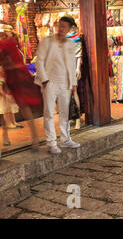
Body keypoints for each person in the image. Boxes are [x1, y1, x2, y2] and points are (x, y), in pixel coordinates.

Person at [35, 16, 80, 154]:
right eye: (59, 25)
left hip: (65, 83)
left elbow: (72, 65)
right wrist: (45, 80)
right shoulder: (46, 42)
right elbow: (39, 61)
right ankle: (51, 142)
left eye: (64, 26)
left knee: (64, 112)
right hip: (50, 82)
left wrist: (73, 83)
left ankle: (65, 139)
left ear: (69, 29)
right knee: (49, 112)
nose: (60, 29)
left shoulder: (70, 44)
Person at [0, 24, 41, 156]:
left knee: (23, 107)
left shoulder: (8, 43)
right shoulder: (7, 43)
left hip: (17, 77)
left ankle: (34, 138)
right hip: (11, 76)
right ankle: (6, 136)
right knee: (8, 105)